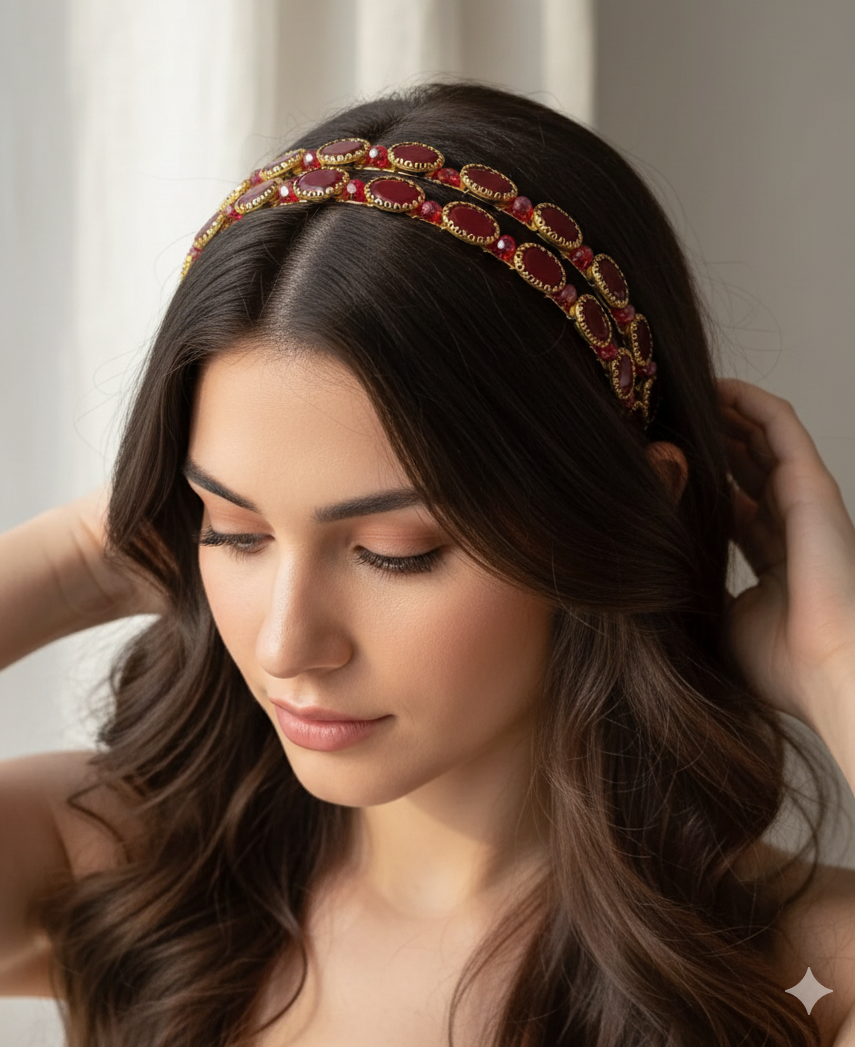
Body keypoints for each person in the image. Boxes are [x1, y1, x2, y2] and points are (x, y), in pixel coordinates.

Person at [1, 81, 855, 1047]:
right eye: (233, 530)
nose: (288, 642)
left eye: (392, 552)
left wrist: (834, 658)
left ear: (613, 516)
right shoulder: (133, 880)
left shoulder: (806, 978)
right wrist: (76, 559)